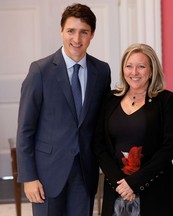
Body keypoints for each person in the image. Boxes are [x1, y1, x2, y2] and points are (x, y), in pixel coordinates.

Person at [16, 3, 111, 216]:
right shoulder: (40, 71)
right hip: (46, 174)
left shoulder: (102, 71)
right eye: (71, 31)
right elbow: (25, 129)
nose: (76, 39)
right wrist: (29, 177)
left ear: (92, 35)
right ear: (61, 31)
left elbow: (102, 122)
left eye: (84, 32)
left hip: (85, 172)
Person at [93, 43, 173, 216]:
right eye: (129, 66)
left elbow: (169, 147)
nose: (134, 72)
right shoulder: (110, 99)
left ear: (151, 70)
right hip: (117, 188)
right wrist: (121, 184)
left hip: (156, 188)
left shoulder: (166, 100)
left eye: (141, 67)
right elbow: (99, 145)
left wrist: (134, 183)